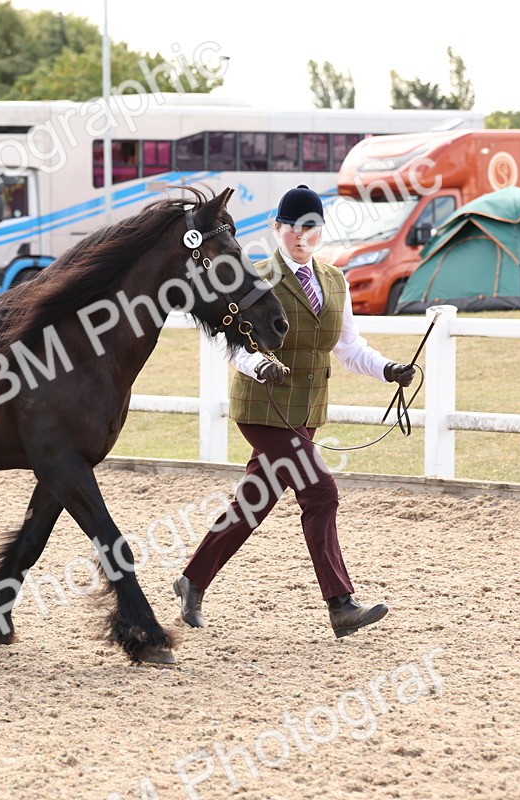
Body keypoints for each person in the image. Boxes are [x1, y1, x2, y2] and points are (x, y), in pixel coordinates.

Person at [173, 184, 416, 639]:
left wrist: (389, 369)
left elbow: (349, 348)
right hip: (263, 407)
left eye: (311, 227)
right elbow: (238, 346)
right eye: (292, 227)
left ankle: (193, 579)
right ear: (276, 228)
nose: (302, 235)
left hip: (305, 411)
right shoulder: (258, 277)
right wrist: (259, 364)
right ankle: (341, 605)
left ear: (321, 229)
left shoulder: (335, 280)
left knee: (254, 501)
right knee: (321, 494)